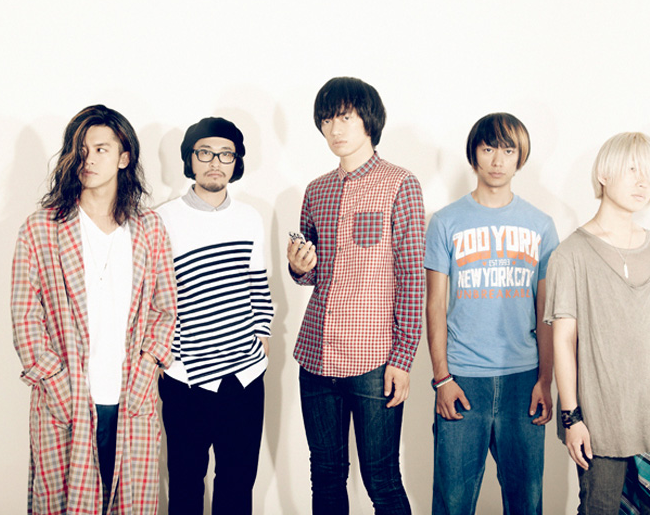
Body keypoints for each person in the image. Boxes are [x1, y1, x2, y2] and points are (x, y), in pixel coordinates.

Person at [11, 104, 176, 514]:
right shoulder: (41, 228)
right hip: (66, 399)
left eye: (102, 149)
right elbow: (25, 316)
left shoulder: (149, 228)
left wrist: (147, 367)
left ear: (124, 158)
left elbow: (165, 308)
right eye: (81, 150)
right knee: (64, 503)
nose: (89, 159)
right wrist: (56, 383)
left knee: (131, 504)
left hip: (131, 398)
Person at [545, 132, 650, 514]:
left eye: (649, 173)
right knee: (600, 508)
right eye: (632, 169)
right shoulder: (571, 254)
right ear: (604, 173)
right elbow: (563, 341)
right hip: (603, 425)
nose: (643, 182)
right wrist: (572, 418)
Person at [286, 76, 426, 514]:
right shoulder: (317, 189)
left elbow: (411, 277)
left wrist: (403, 358)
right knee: (326, 475)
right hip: (315, 355)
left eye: (345, 117)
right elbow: (312, 273)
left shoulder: (400, 183)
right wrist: (298, 267)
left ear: (368, 119)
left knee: (381, 480)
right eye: (327, 120)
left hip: (374, 358)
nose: (335, 129)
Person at [425, 113, 558, 515]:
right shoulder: (445, 222)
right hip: (462, 377)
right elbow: (434, 304)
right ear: (474, 156)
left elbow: (546, 310)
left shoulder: (541, 226)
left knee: (526, 501)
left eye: (508, 150)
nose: (498, 160)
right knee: (452, 501)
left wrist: (545, 380)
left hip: (523, 379)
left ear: (520, 158)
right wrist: (442, 378)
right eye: (488, 149)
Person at [155, 117, 274, 514]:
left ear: (236, 162)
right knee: (185, 486)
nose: (215, 163)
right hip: (186, 376)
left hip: (244, 375)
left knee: (237, 487)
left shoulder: (249, 217)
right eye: (205, 153)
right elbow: (152, 296)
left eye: (226, 154)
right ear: (190, 159)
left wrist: (262, 333)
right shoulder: (162, 219)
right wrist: (168, 357)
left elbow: (258, 284)